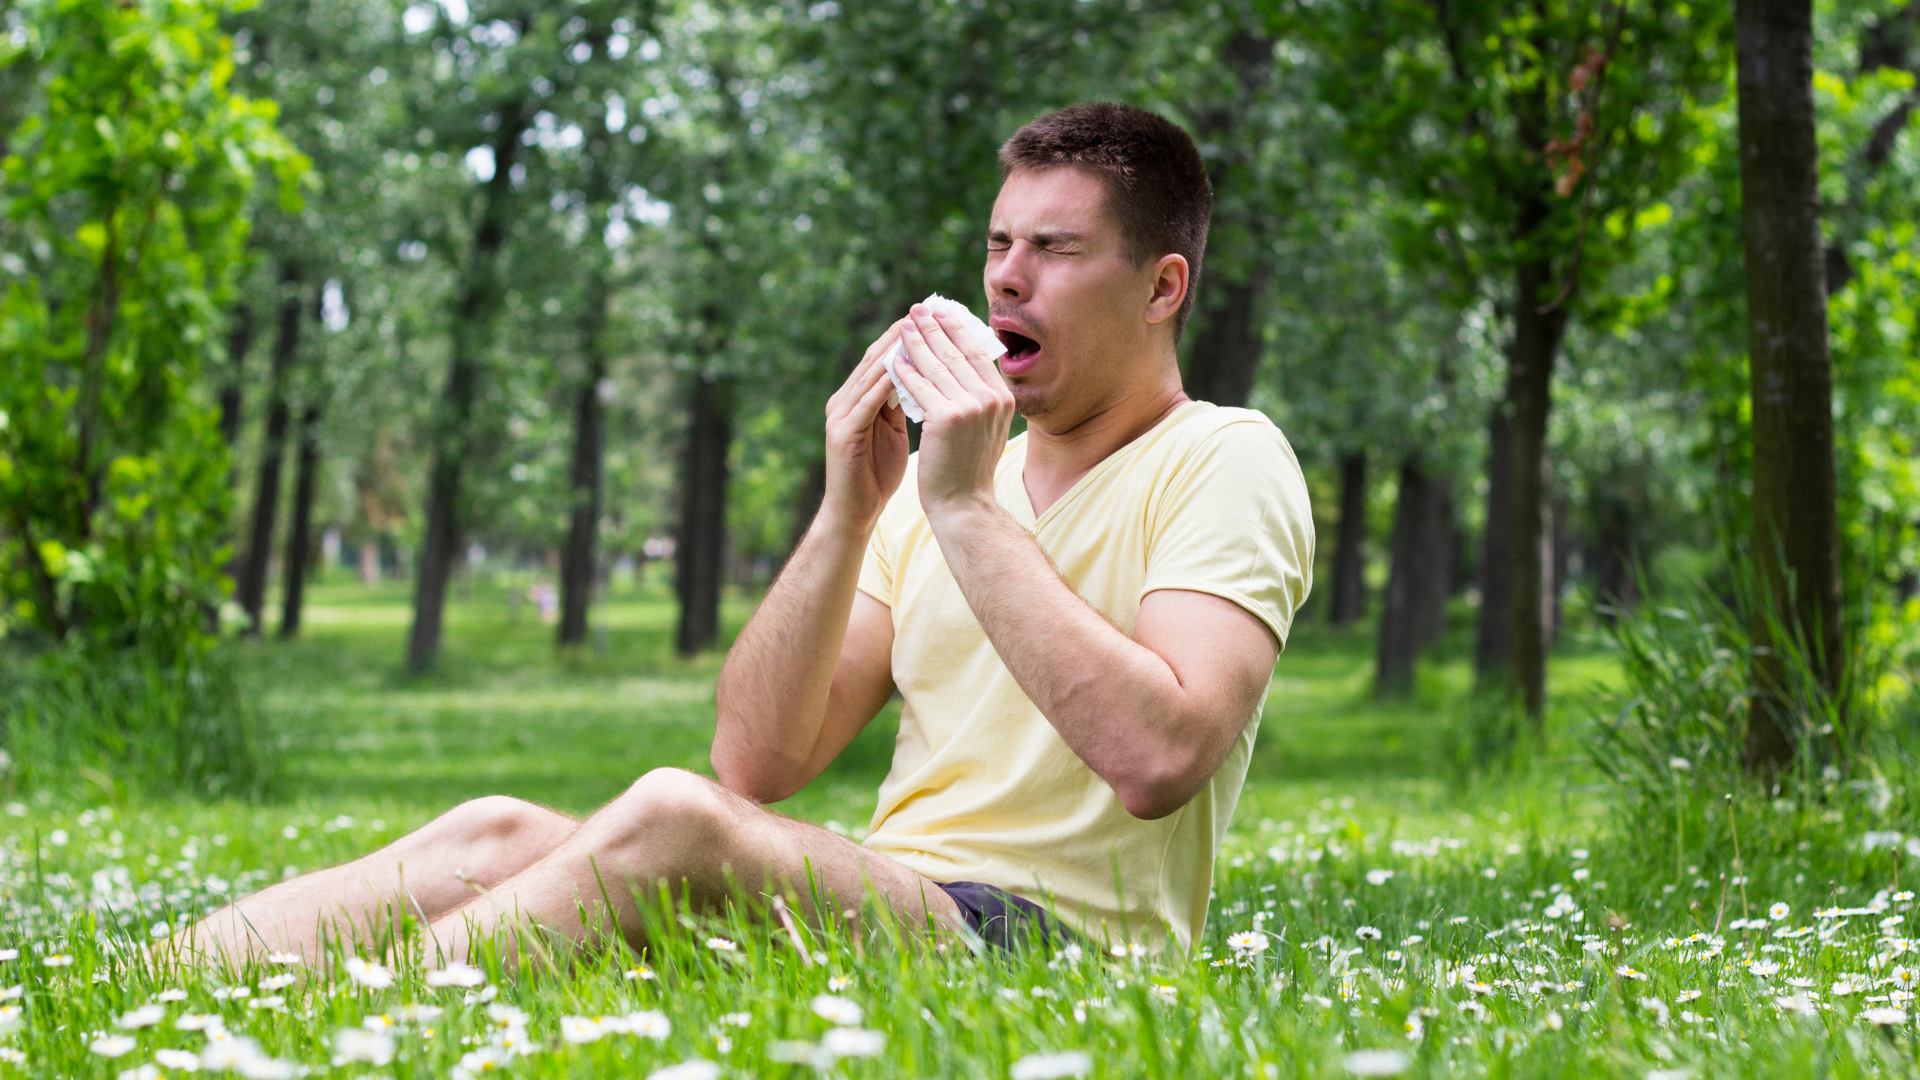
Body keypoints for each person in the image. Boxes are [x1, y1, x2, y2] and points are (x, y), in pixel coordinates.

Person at [179, 102, 1312, 964]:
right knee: (493, 830)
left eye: (1056, 251)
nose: (1007, 278)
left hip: (1050, 947)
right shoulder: (941, 484)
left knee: (674, 818)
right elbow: (759, 762)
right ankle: (141, 979)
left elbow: (1161, 759)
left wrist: (964, 508)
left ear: (1162, 288)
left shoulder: (1224, 458)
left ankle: (356, 1036)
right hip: (898, 898)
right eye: (997, 244)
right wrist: (850, 508)